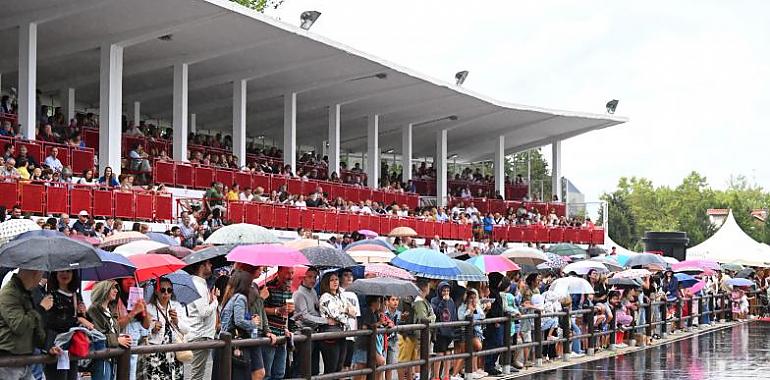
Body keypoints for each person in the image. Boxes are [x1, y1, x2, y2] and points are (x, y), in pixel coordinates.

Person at [0, 269, 63, 380]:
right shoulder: (9, 293)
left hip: (25, 359)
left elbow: (34, 326)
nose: (42, 278)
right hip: (9, 360)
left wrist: (47, 346)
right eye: (42, 274)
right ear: (35, 273)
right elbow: (20, 326)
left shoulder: (26, 292)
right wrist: (41, 308)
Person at [39, 270, 92, 380]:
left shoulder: (76, 296)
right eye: (61, 271)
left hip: (73, 346)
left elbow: (88, 323)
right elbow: (50, 322)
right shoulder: (51, 296)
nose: (65, 274)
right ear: (55, 274)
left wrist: (84, 313)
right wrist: (78, 319)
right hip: (56, 345)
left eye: (68, 271)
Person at [142, 277, 189, 380]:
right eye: (162, 290)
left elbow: (186, 329)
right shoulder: (149, 308)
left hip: (175, 354)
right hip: (156, 355)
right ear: (156, 291)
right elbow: (143, 332)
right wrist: (152, 329)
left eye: (169, 290)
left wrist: (176, 320)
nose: (166, 293)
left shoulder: (177, 306)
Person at [219, 270, 262, 379]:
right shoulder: (241, 298)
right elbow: (239, 321)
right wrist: (252, 323)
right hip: (235, 340)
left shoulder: (232, 297)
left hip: (227, 339)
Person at [87, 280, 132, 380]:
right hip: (101, 359)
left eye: (116, 288)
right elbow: (96, 337)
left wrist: (121, 337)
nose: (116, 291)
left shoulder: (110, 310)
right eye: (113, 288)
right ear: (104, 289)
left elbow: (111, 332)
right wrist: (117, 340)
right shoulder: (93, 310)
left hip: (112, 358)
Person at [183, 259, 219, 380]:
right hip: (200, 334)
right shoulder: (198, 285)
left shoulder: (198, 283)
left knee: (197, 373)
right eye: (209, 263)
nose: (211, 265)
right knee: (197, 375)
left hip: (198, 333)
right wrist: (215, 301)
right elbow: (204, 312)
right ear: (201, 266)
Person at [318, 271, 356, 375]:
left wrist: (344, 311)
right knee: (331, 368)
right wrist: (345, 311)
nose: (335, 282)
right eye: (332, 280)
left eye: (336, 279)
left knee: (339, 367)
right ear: (326, 282)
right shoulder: (325, 297)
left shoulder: (341, 295)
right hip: (330, 335)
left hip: (342, 333)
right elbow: (337, 315)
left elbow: (354, 311)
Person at [291, 268, 326, 377]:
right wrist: (324, 321)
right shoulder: (299, 294)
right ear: (303, 278)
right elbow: (304, 316)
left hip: (314, 333)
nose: (313, 280)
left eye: (314, 277)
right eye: (310, 277)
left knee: (314, 368)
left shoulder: (313, 291)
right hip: (302, 333)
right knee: (301, 367)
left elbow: (314, 310)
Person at [262, 266, 294, 380]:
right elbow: (261, 309)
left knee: (280, 373)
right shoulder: (268, 288)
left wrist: (290, 312)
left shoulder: (290, 290)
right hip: (270, 334)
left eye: (292, 273)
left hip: (282, 335)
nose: (290, 276)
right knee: (267, 373)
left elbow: (288, 314)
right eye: (288, 273)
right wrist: (277, 310)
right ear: (279, 272)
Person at [351, 296, 386, 380]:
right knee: (362, 369)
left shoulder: (375, 313)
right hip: (363, 344)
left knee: (374, 365)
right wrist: (379, 323)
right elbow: (365, 327)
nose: (379, 304)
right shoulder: (367, 311)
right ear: (373, 302)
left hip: (371, 344)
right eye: (378, 301)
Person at [430, 281, 459, 380]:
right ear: (439, 291)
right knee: (440, 353)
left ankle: (446, 375)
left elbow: (454, 315)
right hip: (440, 331)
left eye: (447, 290)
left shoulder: (451, 301)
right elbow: (436, 312)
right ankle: (436, 376)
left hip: (449, 331)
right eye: (443, 290)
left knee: (448, 353)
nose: (446, 293)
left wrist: (454, 328)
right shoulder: (434, 300)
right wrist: (443, 301)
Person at [457, 288, 485, 378]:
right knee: (464, 353)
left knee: (474, 349)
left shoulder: (476, 306)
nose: (473, 300)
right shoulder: (462, 306)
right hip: (463, 331)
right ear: (467, 298)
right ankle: (454, 374)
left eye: (474, 297)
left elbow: (482, 316)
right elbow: (461, 317)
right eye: (471, 298)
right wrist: (469, 310)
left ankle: (472, 370)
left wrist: (474, 309)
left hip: (474, 331)